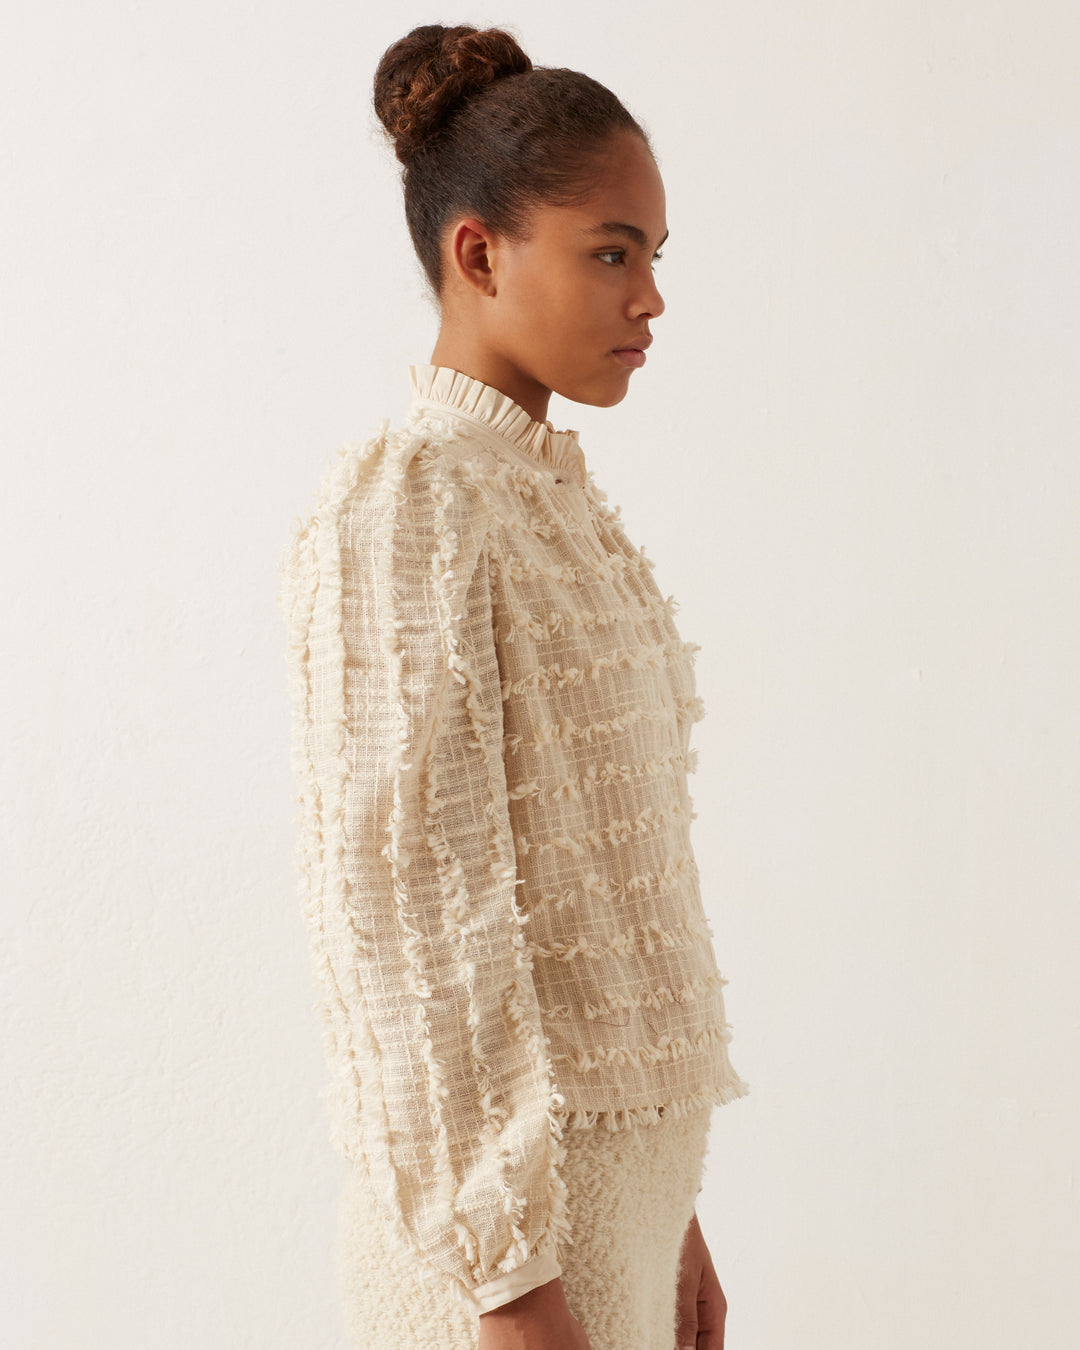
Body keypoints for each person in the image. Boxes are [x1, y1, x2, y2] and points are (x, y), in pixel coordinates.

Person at [277, 22, 750, 1350]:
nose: (650, 296)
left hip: (613, 1216)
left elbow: (591, 894)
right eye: (613, 250)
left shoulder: (552, 504)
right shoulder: (406, 505)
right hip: (497, 1269)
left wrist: (675, 1222)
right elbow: (406, 926)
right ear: (478, 253)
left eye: (654, 255)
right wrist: (509, 1281)